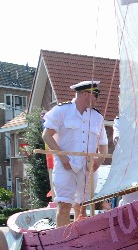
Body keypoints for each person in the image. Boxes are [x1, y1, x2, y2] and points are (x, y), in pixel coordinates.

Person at [42, 81, 109, 227]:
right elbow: (46, 136)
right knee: (64, 205)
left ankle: (79, 243)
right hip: (65, 166)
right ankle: (62, 242)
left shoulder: (97, 117)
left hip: (87, 168)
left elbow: (104, 144)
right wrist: (62, 157)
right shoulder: (61, 111)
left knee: (82, 206)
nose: (97, 99)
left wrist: (100, 160)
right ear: (85, 94)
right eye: (95, 95)